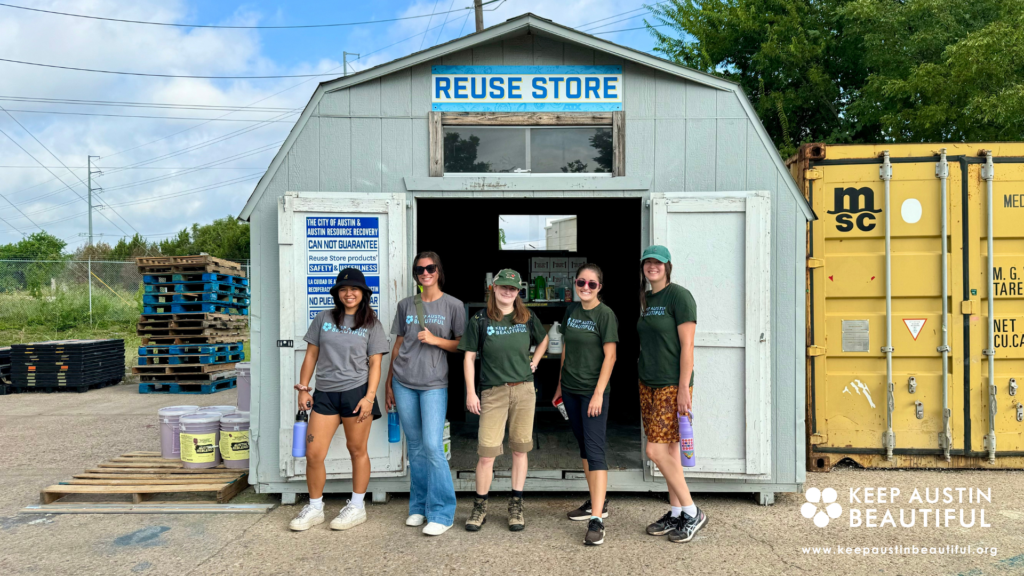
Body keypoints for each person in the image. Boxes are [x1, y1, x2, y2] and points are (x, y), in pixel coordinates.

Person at [289, 267, 390, 532]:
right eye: (344, 289)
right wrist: (303, 388)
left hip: (357, 394)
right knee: (313, 453)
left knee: (357, 450)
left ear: (363, 293)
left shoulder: (372, 324)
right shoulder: (323, 318)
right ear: (337, 293)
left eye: (354, 289)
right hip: (325, 394)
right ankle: (315, 507)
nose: (349, 293)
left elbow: (375, 364)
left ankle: (357, 507)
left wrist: (370, 398)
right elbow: (311, 355)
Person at [459, 268, 548, 532]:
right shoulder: (480, 319)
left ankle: (516, 505)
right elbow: (468, 357)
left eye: (513, 288)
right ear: (494, 288)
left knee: (520, 449)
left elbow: (544, 341)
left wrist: (535, 360)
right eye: (503, 287)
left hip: (523, 390)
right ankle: (480, 506)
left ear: (518, 292)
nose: (508, 292)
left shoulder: (527, 316)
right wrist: (471, 392)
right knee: (487, 453)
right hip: (493, 392)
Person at [384, 252, 465, 536]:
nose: (425, 273)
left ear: (438, 271)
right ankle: (418, 506)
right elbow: (397, 345)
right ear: (415, 273)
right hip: (403, 381)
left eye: (430, 268)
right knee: (416, 448)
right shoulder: (406, 304)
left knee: (432, 446)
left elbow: (462, 346)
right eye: (420, 269)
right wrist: (388, 383)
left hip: (433, 383)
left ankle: (442, 512)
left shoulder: (454, 305)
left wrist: (435, 340)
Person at [637, 245, 708, 543]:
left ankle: (693, 512)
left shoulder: (679, 296)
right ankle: (676, 513)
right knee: (669, 452)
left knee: (654, 451)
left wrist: (683, 389)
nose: (653, 267)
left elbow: (687, 347)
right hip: (648, 383)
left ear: (668, 266)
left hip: (671, 384)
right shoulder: (647, 298)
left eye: (658, 262)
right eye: (648, 262)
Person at [552, 263, 618, 546]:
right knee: (583, 446)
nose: (586, 288)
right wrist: (558, 386)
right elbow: (565, 348)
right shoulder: (571, 311)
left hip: (593, 393)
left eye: (592, 284)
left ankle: (598, 521)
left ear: (599, 287)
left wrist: (598, 393)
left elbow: (611, 356)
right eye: (581, 282)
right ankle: (595, 503)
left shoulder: (605, 315)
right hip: (570, 390)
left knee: (595, 449)